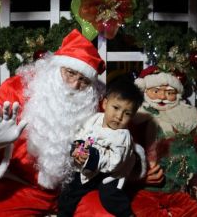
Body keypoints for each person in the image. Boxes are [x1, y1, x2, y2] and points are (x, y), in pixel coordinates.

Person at [0, 29, 106, 216]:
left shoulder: (97, 103)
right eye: (70, 73)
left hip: (78, 189)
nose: (74, 85)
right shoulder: (19, 87)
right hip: (24, 187)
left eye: (83, 81)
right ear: (56, 67)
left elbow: (121, 137)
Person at [130, 65, 197, 217]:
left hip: (183, 188)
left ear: (178, 94)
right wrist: (137, 176)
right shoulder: (135, 116)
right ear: (145, 91)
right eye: (156, 91)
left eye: (169, 92)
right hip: (144, 190)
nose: (162, 97)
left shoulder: (190, 115)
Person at [58, 79, 146, 217]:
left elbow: (114, 162)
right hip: (88, 166)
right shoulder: (94, 120)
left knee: (110, 196)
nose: (119, 116)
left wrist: (91, 157)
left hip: (110, 173)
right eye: (116, 108)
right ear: (105, 104)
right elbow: (82, 133)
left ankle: (127, 214)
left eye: (127, 113)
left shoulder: (123, 136)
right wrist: (78, 150)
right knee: (69, 191)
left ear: (132, 116)